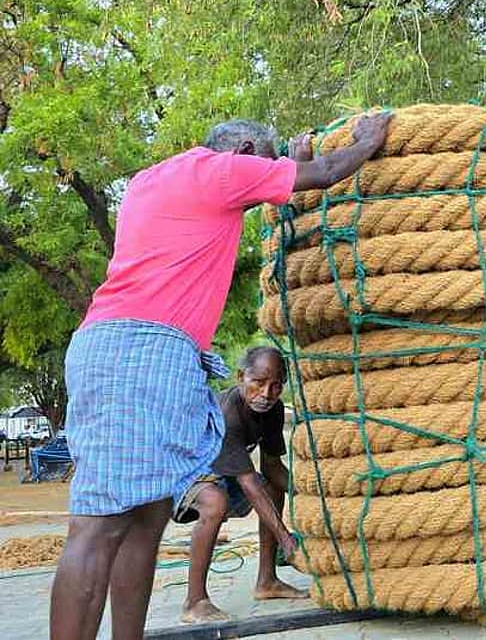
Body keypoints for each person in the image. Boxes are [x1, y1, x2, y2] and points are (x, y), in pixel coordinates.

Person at [51, 111, 393, 640]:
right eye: (270, 161)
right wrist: (368, 141)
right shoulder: (222, 169)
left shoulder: (156, 180)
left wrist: (289, 172)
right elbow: (327, 173)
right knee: (100, 523)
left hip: (118, 346)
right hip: (142, 352)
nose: (272, 174)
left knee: (145, 516)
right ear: (250, 148)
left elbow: (275, 197)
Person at [173, 347, 302, 623]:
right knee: (214, 502)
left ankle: (267, 581)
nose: (267, 394)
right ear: (241, 376)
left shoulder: (273, 410)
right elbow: (248, 483)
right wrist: (286, 540)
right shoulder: (228, 414)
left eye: (276, 385)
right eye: (258, 382)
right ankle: (194, 602)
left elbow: (272, 468)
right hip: (179, 473)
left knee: (271, 485)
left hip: (221, 473)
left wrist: (318, 495)